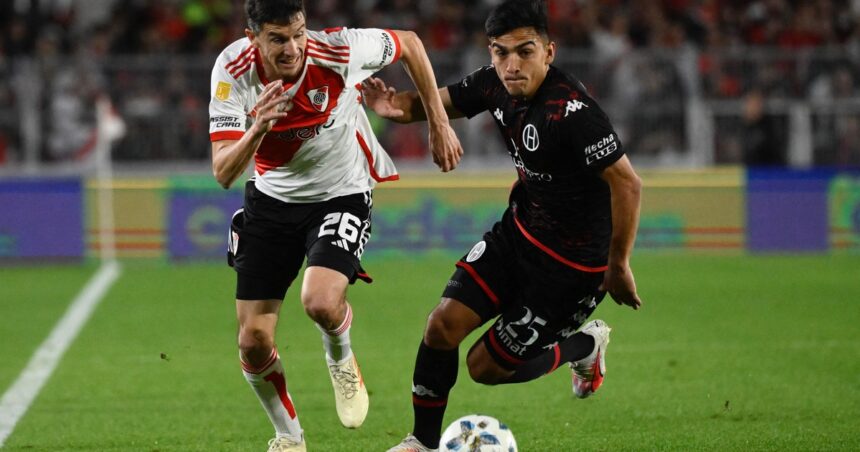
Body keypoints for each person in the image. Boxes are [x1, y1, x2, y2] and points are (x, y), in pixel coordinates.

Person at [362, 1, 643, 451]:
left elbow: (627, 184)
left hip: (570, 269)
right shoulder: (494, 84)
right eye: (500, 52)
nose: (511, 65)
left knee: (484, 368)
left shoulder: (572, 111)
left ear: (548, 52)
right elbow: (439, 101)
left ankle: (581, 348)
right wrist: (394, 105)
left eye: (524, 52)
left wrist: (618, 264)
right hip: (518, 236)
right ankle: (422, 443)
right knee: (440, 327)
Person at [207, 1, 463, 451]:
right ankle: (289, 438)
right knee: (252, 341)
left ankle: (340, 356)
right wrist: (258, 128)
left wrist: (437, 123)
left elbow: (411, 44)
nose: (293, 48)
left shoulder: (338, 50)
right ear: (254, 38)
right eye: (278, 38)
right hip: (271, 200)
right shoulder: (232, 70)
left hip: (340, 191)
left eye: (298, 34)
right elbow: (224, 172)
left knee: (321, 302)